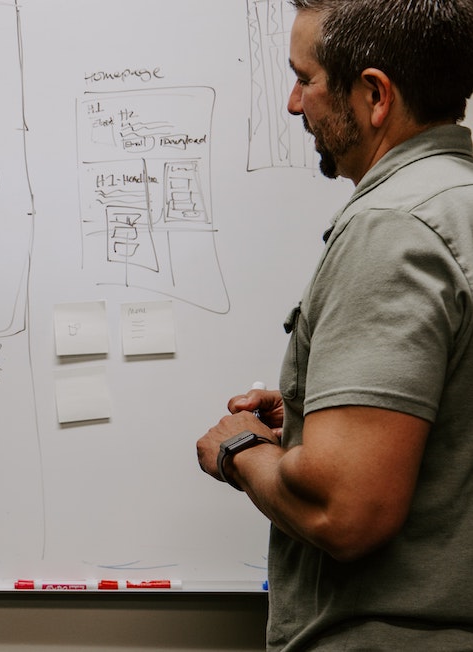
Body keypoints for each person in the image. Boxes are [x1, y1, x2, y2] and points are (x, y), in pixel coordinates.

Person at [196, 0, 473, 649]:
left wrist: (240, 450)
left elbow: (343, 510)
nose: (294, 105)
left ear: (374, 94)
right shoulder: (456, 201)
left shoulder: (393, 227)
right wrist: (306, 414)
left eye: (305, 78)